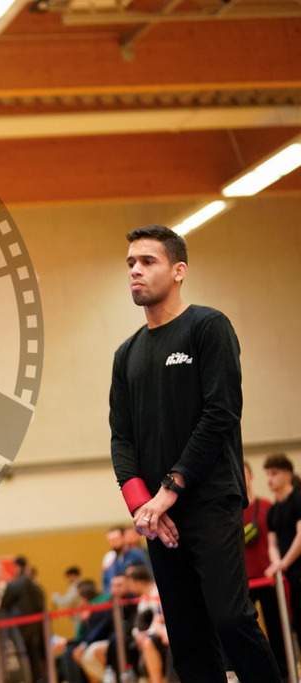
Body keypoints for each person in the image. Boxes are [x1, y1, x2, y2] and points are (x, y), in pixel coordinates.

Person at [108, 224, 279, 681]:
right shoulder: (126, 355)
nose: (135, 272)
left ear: (179, 270)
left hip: (209, 500)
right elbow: (120, 438)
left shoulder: (208, 327)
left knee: (231, 619)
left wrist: (171, 488)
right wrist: (143, 504)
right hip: (159, 518)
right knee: (186, 636)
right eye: (130, 264)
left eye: (147, 261)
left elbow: (220, 414)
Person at [241, 458, 290, 680]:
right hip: (243, 584)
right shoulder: (227, 514)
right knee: (246, 635)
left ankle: (285, 674)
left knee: (278, 632)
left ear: (251, 476)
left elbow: (278, 543)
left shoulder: (267, 507)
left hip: (269, 581)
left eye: (244, 472)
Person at [264, 453, 301, 658]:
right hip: (290, 575)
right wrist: (277, 562)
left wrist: (284, 563)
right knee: (297, 623)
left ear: (288, 475)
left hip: (296, 567)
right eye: (268, 474)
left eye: (274, 474)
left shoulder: (298, 499)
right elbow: (272, 544)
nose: (269, 479)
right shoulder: (273, 511)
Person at [0, 556, 46, 683]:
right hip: (36, 627)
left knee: (21, 656)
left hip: (19, 627)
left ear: (17, 567)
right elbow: (41, 606)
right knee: (34, 655)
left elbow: (4, 605)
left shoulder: (14, 584)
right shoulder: (35, 586)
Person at [100, 527, 148, 595]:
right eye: (110, 541)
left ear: (124, 538)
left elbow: (147, 577)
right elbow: (105, 583)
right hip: (118, 600)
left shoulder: (137, 555)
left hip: (136, 597)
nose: (113, 543)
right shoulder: (110, 559)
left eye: (115, 539)